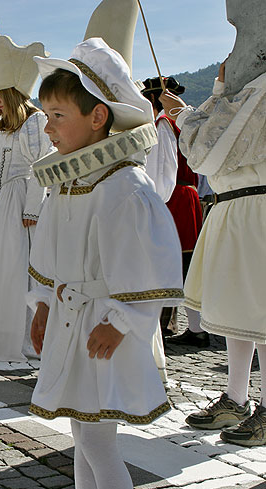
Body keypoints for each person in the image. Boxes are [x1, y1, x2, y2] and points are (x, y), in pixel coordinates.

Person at [27, 38, 183, 489]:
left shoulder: (124, 187)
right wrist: (41, 306)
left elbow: (146, 263)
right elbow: (48, 251)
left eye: (59, 115)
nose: (48, 127)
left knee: (96, 438)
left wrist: (120, 321)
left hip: (103, 324)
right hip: (70, 319)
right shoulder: (66, 182)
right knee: (82, 432)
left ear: (98, 117)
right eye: (46, 114)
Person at [160, 24, 266, 445]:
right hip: (234, 206)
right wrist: (197, 107)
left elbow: (207, 150)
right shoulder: (243, 95)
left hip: (257, 206)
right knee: (236, 312)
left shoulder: (259, 92)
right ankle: (235, 398)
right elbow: (210, 145)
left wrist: (188, 111)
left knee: (260, 312)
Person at [0, 34, 53, 362]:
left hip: (18, 200)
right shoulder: (1, 125)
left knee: (13, 267)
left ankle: (16, 335)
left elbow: (39, 168)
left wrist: (33, 207)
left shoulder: (35, 122)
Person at [141, 76, 206, 347]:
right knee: (186, 265)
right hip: (186, 195)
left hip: (174, 199)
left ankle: (178, 325)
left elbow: (161, 171)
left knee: (171, 264)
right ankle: (191, 326)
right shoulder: (180, 126)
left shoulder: (163, 125)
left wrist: (153, 202)